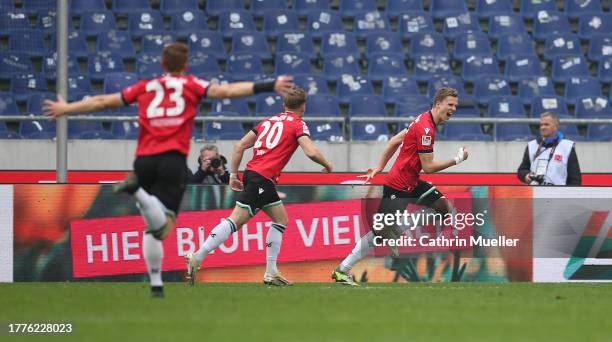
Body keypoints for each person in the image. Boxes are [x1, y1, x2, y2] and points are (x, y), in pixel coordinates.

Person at [43, 43, 295, 297]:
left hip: (143, 161)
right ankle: (193, 256)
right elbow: (226, 90)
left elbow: (103, 101)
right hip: (171, 162)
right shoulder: (190, 85)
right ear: (185, 66)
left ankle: (157, 280)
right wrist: (268, 85)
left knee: (151, 228)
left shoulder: (145, 86)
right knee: (165, 226)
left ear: (161, 64)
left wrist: (66, 109)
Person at [186, 87, 333, 286]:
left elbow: (239, 146)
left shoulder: (267, 122)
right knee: (235, 220)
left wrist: (234, 175)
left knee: (281, 219)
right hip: (262, 179)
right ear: (303, 107)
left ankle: (271, 272)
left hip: (255, 176)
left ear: (284, 105)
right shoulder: (298, 124)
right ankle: (199, 256)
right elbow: (311, 151)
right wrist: (327, 165)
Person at [331, 87, 469, 286]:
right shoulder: (426, 129)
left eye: (456, 105)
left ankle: (396, 229)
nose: (454, 108)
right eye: (450, 104)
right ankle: (342, 270)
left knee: (443, 207)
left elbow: (395, 141)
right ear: (438, 104)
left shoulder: (422, 119)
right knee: (378, 234)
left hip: (411, 181)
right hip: (398, 186)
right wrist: (457, 160)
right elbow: (428, 167)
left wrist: (379, 166)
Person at [517, 112, 581, 186]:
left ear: (556, 126)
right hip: (536, 193)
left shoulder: (567, 147)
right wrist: (527, 176)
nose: (542, 127)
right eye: (541, 125)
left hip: (559, 195)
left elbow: (575, 179)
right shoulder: (531, 145)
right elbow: (522, 170)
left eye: (546, 124)